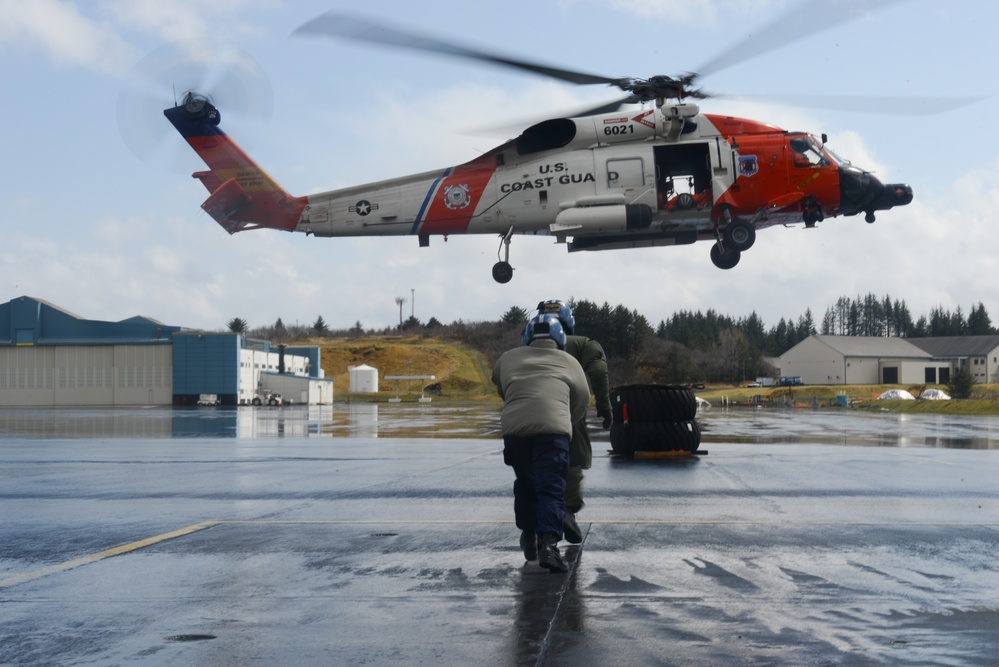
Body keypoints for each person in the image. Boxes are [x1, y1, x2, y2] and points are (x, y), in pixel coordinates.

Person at [492, 314, 590, 573]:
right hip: (552, 433)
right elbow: (582, 398)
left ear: (527, 337)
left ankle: (528, 534)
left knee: (525, 484)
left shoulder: (508, 357)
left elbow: (501, 386)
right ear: (560, 339)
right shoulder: (570, 362)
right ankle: (549, 545)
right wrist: (565, 419)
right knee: (551, 489)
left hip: (515, 432)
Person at [534, 299, 612, 545]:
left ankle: (537, 524)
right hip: (568, 410)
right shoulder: (582, 344)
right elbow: (598, 372)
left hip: (530, 410)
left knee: (533, 465)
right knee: (572, 461)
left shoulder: (527, 345)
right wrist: (604, 406)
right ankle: (567, 511)